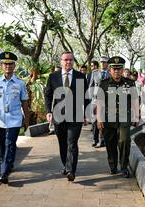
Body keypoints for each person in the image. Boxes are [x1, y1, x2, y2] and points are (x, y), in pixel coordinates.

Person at [0, 51, 29, 184]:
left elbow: (24, 102)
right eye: (5, 64)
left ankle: (4, 172)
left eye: (10, 64)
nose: (8, 66)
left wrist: (27, 120)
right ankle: (8, 163)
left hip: (14, 119)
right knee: (3, 144)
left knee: (10, 143)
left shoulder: (20, 83)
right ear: (1, 66)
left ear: (15, 66)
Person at [44, 51, 89, 182]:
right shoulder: (53, 77)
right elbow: (48, 95)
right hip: (58, 116)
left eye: (70, 60)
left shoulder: (80, 76)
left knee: (72, 143)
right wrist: (48, 111)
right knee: (62, 143)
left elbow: (85, 97)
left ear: (73, 61)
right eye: (65, 60)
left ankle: (71, 170)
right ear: (61, 62)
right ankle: (66, 164)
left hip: (75, 117)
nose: (68, 62)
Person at [96, 56, 139, 178]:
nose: (116, 71)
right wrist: (99, 119)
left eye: (119, 69)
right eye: (114, 69)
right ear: (110, 70)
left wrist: (136, 117)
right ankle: (113, 165)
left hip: (125, 117)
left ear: (122, 69)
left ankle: (124, 166)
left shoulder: (130, 83)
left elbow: (135, 100)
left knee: (124, 141)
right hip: (108, 118)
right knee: (110, 142)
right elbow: (99, 102)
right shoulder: (104, 84)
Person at [87, 60, 102, 147]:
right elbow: (90, 86)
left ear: (96, 66)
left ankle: (101, 140)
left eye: (93, 66)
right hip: (94, 100)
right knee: (94, 121)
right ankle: (95, 139)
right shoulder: (93, 74)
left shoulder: (101, 73)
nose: (92, 68)